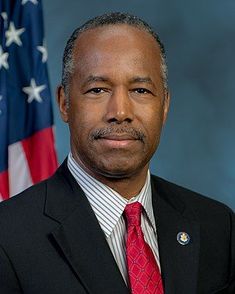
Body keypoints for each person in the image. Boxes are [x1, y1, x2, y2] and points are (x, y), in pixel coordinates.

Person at [0, 12, 234, 294]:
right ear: (64, 103)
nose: (120, 113)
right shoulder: (8, 237)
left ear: (165, 106)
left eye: (140, 90)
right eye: (98, 89)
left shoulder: (218, 226)